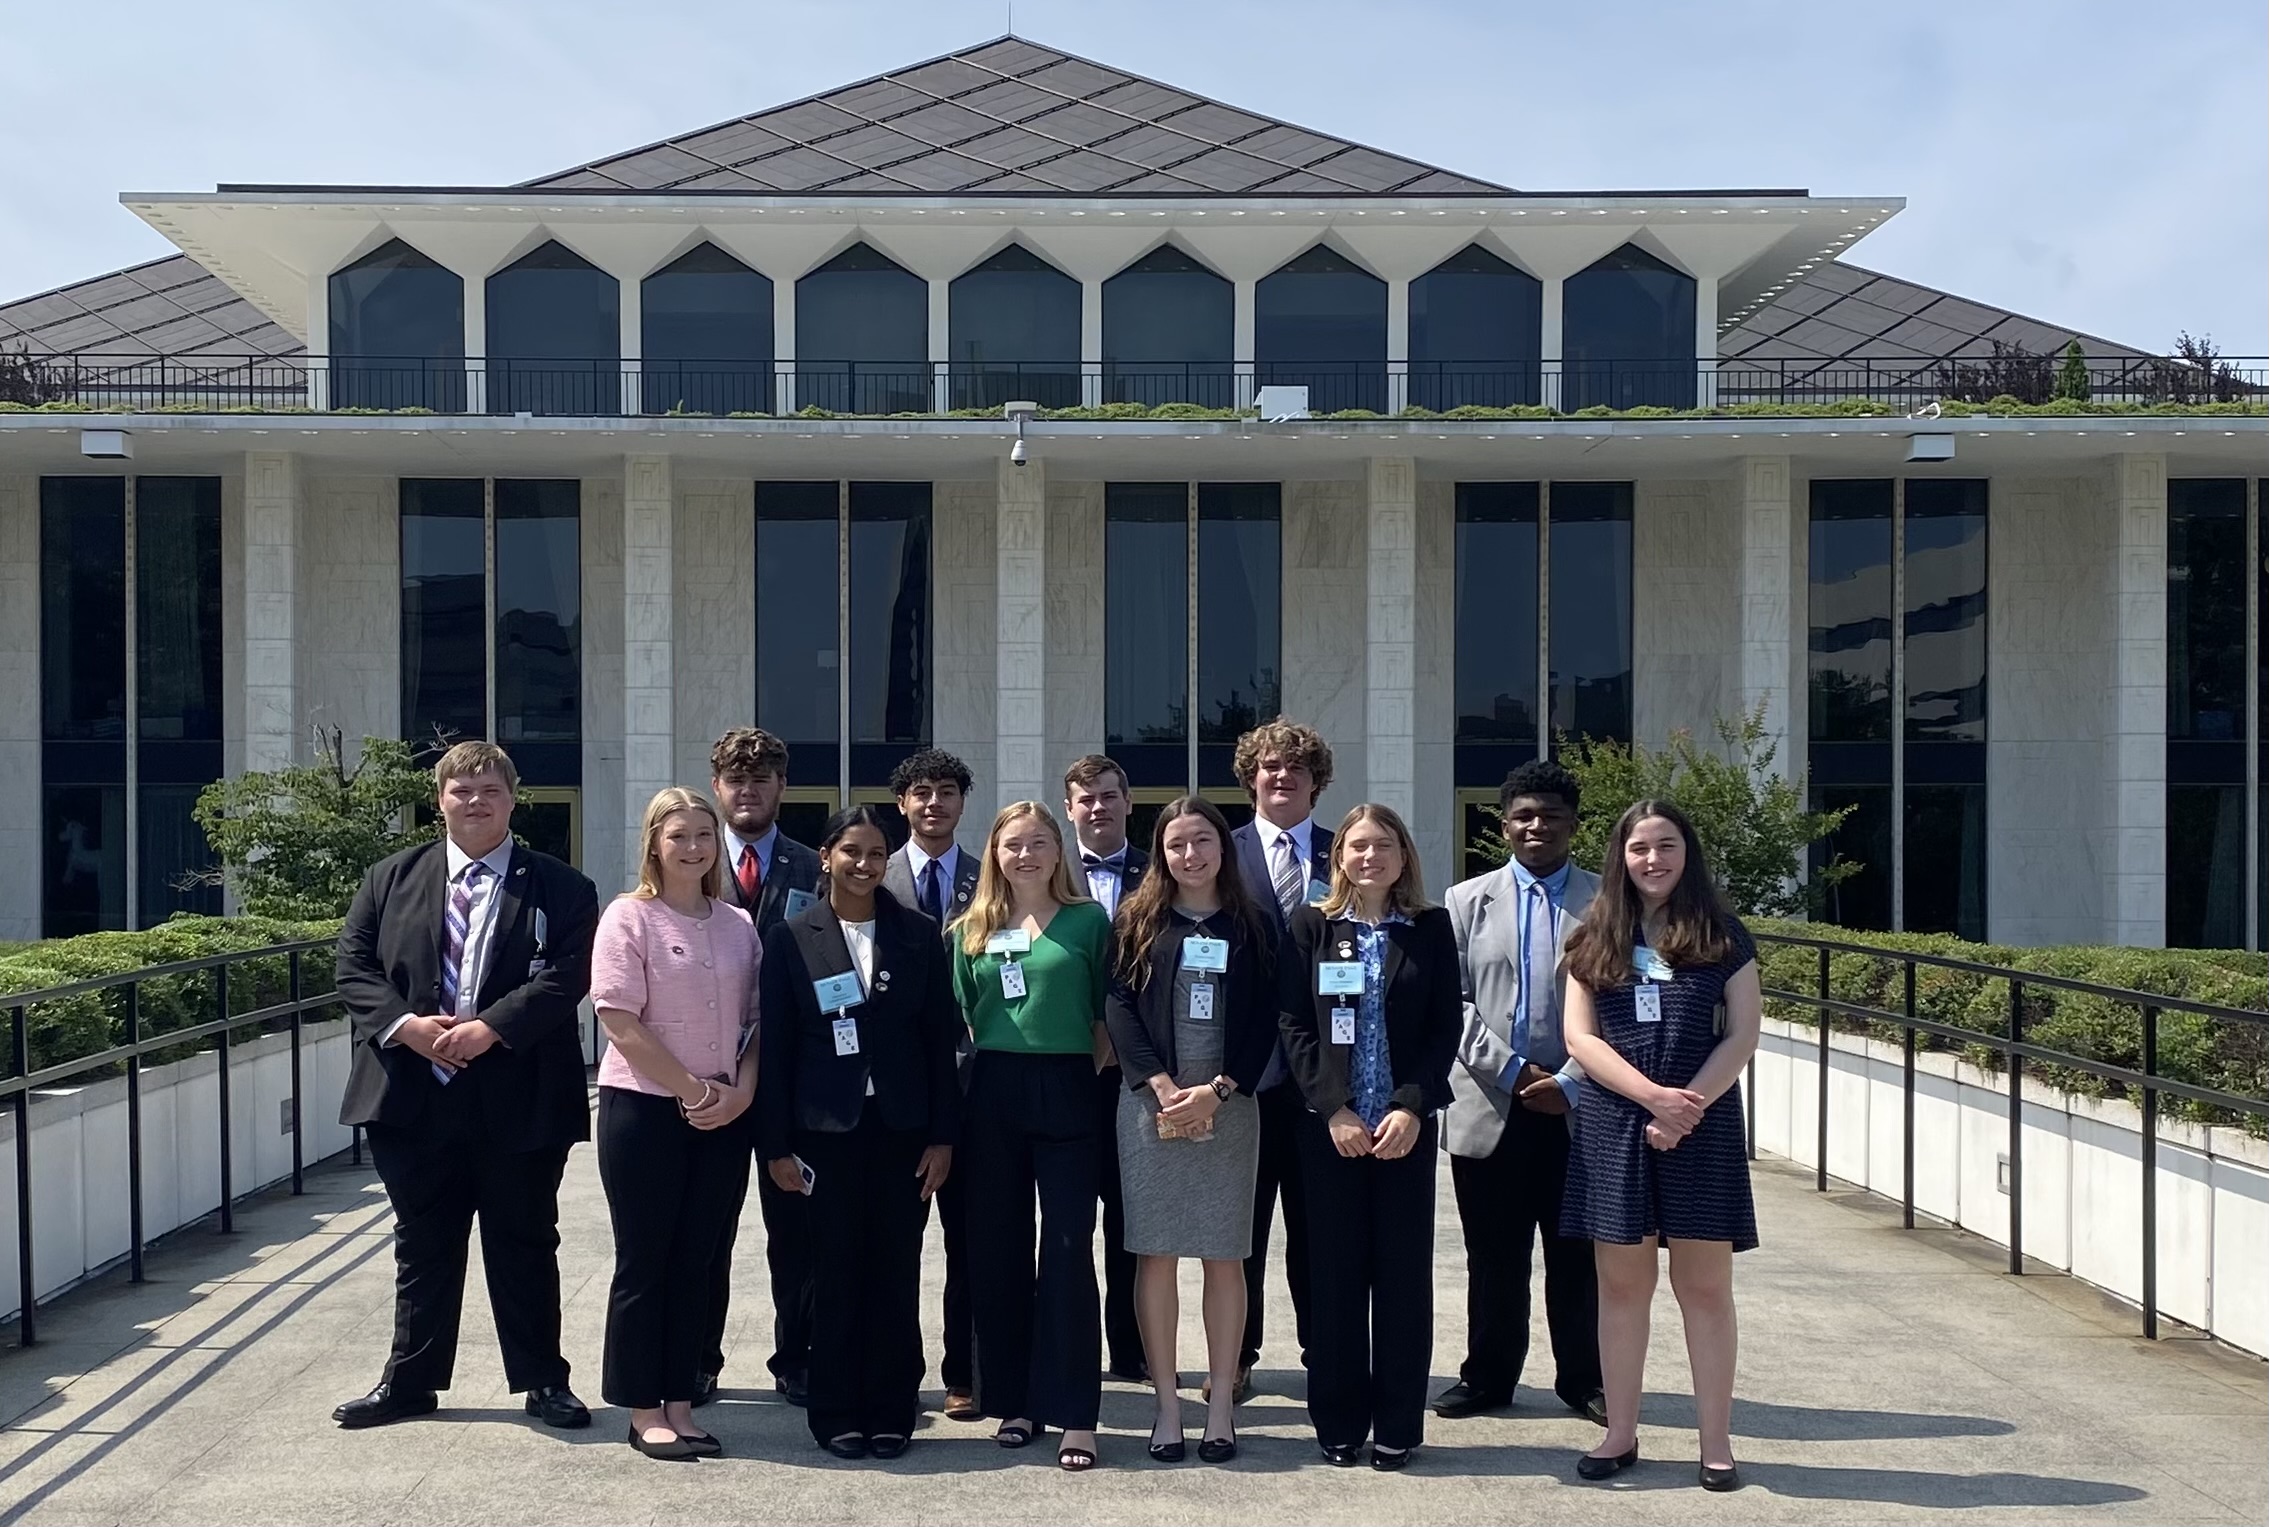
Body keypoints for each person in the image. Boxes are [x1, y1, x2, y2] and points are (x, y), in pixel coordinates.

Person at [332, 741, 599, 1431]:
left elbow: (568, 974)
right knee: (422, 1243)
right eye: (460, 789)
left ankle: (544, 1381)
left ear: (513, 798)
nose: (474, 800)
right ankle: (409, 1382)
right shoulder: (389, 877)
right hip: (412, 1094)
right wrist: (406, 1027)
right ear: (439, 799)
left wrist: (488, 1028)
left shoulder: (562, 886)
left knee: (525, 1241)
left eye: (489, 788)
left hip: (519, 1095)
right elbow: (353, 966)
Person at [1560, 799, 1762, 1494]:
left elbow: (1740, 1034)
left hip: (1700, 1126)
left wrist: (1685, 1106)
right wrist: (1650, 1098)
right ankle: (1619, 1432)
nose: (1652, 859)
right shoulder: (1592, 936)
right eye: (1639, 847)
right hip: (1614, 1126)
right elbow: (1579, 1039)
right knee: (1621, 1288)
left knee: (1703, 1289)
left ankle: (1715, 1442)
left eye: (1666, 845)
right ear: (1619, 856)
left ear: (1687, 852)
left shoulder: (1722, 934)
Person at [756, 806, 963, 1461]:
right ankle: (836, 1409)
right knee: (834, 1270)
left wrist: (942, 1137)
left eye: (877, 852)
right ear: (826, 855)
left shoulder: (917, 932)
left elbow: (939, 1041)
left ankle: (891, 1406)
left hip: (900, 1129)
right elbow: (778, 1046)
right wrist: (775, 1145)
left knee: (895, 1271)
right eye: (851, 850)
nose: (865, 864)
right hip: (824, 1134)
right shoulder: (792, 937)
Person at [1277, 803, 1458, 1471]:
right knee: (1333, 1280)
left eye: (1383, 845)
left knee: (1403, 1281)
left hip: (1403, 1132)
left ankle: (1397, 1425)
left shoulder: (1430, 927)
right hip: (1332, 1133)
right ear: (1338, 857)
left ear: (1403, 855)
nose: (1369, 856)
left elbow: (1444, 1026)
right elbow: (1293, 1024)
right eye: (1357, 846)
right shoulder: (1311, 926)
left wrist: (1411, 1107)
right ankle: (1338, 1422)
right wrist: (1334, 1108)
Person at [1103, 797, 1276, 1465]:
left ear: (1221, 848)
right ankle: (1167, 1407)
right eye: (1176, 843)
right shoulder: (1137, 920)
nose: (1190, 854)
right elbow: (1117, 1004)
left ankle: (1222, 1405)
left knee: (1224, 1254)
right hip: (1152, 1109)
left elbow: (1268, 1018)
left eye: (1202, 840)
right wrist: (1161, 1085)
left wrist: (1219, 1088)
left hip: (1227, 1108)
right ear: (1161, 853)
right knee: (1155, 1253)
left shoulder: (1252, 924)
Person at [589, 788, 760, 1459]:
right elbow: (617, 1017)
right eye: (678, 835)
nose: (692, 848)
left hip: (723, 1113)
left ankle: (682, 1401)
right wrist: (691, 1088)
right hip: (646, 1109)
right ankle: (641, 1406)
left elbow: (757, 1023)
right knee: (646, 1258)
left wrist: (740, 1093)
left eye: (703, 836)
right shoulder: (629, 917)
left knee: (699, 1259)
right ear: (654, 842)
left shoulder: (737, 924)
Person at [1435, 759, 1607, 1425]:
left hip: (1580, 1108)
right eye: (1523, 815)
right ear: (1503, 824)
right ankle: (1488, 1377)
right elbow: (1450, 1003)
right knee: (1494, 1259)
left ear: (1573, 823)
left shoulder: (1608, 901)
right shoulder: (1463, 901)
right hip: (1490, 1105)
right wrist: (1512, 1071)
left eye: (1551, 814)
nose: (1537, 825)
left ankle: (1584, 1379)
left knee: (1578, 1258)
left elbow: (1626, 1000)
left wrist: (1569, 1078)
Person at [950, 802, 1111, 1472]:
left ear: (1058, 850)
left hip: (1071, 1085)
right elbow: (965, 1012)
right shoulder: (969, 928)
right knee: (999, 1251)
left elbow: (1109, 1010)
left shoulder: (1089, 921)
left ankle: (1076, 1412)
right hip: (992, 1091)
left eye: (1039, 842)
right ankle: (1014, 1400)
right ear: (994, 853)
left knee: (1070, 1248)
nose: (1026, 855)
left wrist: (1087, 1071)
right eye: (1013, 844)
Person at [700, 727, 824, 1408]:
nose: (747, 790)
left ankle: (798, 1356)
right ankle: (698, 1356)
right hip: (708, 1078)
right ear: (717, 786)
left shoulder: (815, 867)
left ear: (781, 786)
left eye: (761, 778)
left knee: (797, 1233)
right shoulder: (688, 860)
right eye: (735, 779)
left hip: (793, 1082)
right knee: (704, 1229)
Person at [1222, 717, 1336, 1403]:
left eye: (1296, 767)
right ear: (1251, 777)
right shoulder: (1217, 851)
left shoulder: (1346, 852)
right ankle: (1235, 1355)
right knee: (1242, 1229)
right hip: (1243, 1074)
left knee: (1320, 1229)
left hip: (1328, 1076)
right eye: (1269, 766)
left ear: (1316, 782)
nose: (1282, 775)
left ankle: (1325, 1352)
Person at [880, 747, 983, 1421]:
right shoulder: (870, 875)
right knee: (892, 1242)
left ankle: (967, 1373)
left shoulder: (993, 874)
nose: (933, 803)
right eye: (921, 792)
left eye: (946, 791)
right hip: (897, 1092)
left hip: (977, 1089)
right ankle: (892, 1373)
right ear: (902, 804)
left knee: (971, 1244)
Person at [1064, 752, 1148, 1382]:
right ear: (1070, 809)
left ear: (1127, 803)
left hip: (1140, 1075)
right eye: (1085, 798)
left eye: (1108, 797)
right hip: (1065, 1071)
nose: (1098, 808)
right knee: (1066, 1225)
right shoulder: (1041, 869)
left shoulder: (1160, 873)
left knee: (1132, 1219)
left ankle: (1133, 1348)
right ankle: (1071, 1353)